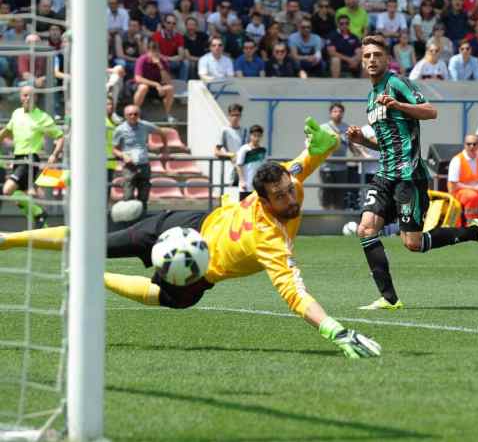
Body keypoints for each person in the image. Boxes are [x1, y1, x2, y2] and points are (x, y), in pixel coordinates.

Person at [0, 120, 382, 359]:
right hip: (196, 254)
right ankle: (17, 242)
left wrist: (326, 144)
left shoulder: (286, 179)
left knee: (103, 245)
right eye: (280, 196)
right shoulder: (272, 240)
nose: (290, 198)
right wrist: (336, 330)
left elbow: (304, 161)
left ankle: (27, 247)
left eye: (289, 191)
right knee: (158, 290)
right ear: (263, 199)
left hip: (189, 227)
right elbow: (296, 294)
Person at [347, 35, 478, 310]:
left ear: (387, 59)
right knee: (366, 229)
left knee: (413, 243)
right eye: (367, 56)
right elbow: (386, 142)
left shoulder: (398, 83)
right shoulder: (372, 97)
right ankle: (389, 299)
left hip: (409, 174)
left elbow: (430, 112)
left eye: (377, 55)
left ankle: (473, 233)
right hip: (385, 173)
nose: (371, 60)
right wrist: (363, 141)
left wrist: (399, 105)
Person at [0, 86, 64, 227]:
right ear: (21, 97)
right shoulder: (16, 113)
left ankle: (40, 214)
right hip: (17, 159)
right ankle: (42, 224)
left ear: (35, 97)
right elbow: (6, 131)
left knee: (7, 190)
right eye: (25, 95)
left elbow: (60, 136)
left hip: (29, 159)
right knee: (19, 197)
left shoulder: (42, 117)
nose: (28, 98)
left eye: (31, 95)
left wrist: (54, 155)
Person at [112, 105, 168, 212]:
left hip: (144, 164)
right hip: (129, 166)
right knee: (128, 197)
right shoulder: (119, 130)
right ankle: (129, 221)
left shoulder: (145, 125)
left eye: (136, 114)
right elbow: (114, 149)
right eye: (130, 114)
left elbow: (162, 133)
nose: (133, 116)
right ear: (125, 116)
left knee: (143, 197)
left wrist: (165, 150)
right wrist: (123, 155)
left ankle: (142, 220)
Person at [447, 135, 478, 225]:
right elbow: (454, 185)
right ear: (464, 145)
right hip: (459, 192)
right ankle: (471, 226)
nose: (472, 146)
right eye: (469, 144)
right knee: (472, 196)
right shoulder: (457, 160)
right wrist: (475, 188)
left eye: (475, 144)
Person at [320, 102, 354, 210]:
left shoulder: (347, 128)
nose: (338, 114)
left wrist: (360, 156)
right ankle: (326, 215)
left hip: (342, 168)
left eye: (340, 111)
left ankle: (338, 216)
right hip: (327, 167)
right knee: (327, 193)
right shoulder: (323, 128)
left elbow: (352, 146)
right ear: (330, 113)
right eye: (335, 111)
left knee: (340, 194)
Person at [133, 40, 176, 123]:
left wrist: (160, 66)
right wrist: (156, 84)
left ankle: (167, 115)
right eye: (151, 50)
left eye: (156, 50)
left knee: (170, 88)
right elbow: (138, 78)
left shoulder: (163, 61)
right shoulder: (142, 59)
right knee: (143, 87)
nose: (154, 53)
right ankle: (135, 112)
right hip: (142, 87)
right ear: (147, 51)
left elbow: (167, 81)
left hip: (158, 89)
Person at [214, 103, 248, 188]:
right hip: (231, 169)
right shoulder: (225, 131)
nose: (235, 117)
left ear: (240, 116)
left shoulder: (244, 131)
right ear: (229, 116)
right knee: (231, 195)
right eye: (233, 115)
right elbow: (216, 152)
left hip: (244, 170)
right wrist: (230, 154)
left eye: (237, 115)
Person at [235, 125, 267, 201]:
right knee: (244, 209)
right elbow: (239, 165)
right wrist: (242, 181)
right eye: (254, 135)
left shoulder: (262, 150)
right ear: (250, 136)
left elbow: (263, 167)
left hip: (257, 186)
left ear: (261, 136)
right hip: (246, 186)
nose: (256, 138)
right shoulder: (244, 149)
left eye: (259, 136)